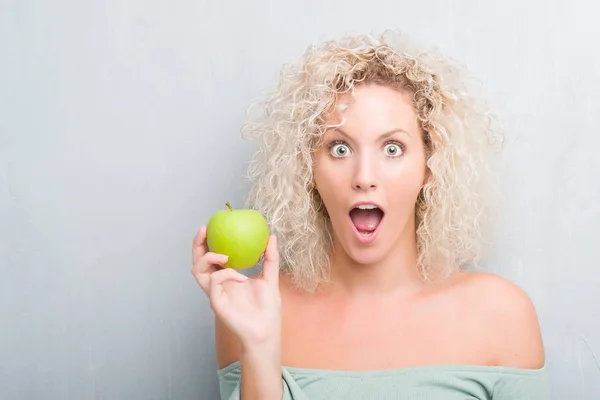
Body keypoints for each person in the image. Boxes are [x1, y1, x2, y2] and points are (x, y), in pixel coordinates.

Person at [192, 30, 550, 399]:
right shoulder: (253, 310)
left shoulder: (502, 315)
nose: (364, 177)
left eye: (392, 149)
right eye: (340, 148)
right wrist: (260, 342)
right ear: (308, 168)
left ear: (429, 166)